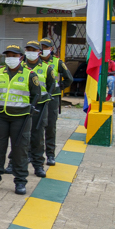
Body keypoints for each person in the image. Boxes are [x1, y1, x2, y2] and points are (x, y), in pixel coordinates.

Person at [0, 44, 41, 195]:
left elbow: (36, 95)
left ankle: (20, 181)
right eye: (8, 56)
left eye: (14, 56)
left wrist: (30, 110)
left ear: (21, 58)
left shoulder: (30, 75)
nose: (10, 58)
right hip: (1, 116)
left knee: (20, 150)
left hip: (21, 118)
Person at [23, 40, 55, 178]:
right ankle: (17, 163)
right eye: (28, 50)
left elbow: (51, 84)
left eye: (34, 50)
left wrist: (48, 96)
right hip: (23, 106)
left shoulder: (47, 67)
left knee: (38, 136)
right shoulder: (21, 67)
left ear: (39, 52)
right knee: (21, 136)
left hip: (40, 106)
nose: (30, 52)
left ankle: (38, 165)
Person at [40, 38, 72, 166]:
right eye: (41, 47)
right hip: (38, 98)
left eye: (45, 47)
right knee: (35, 128)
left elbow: (69, 78)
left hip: (53, 97)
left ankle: (50, 155)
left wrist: (59, 87)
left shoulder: (57, 62)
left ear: (51, 49)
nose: (43, 49)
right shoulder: (33, 62)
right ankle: (33, 154)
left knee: (50, 127)